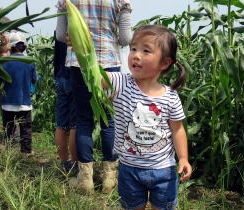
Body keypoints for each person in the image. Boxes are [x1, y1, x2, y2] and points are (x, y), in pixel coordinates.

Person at [102, 25, 192, 210]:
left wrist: (183, 158)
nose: (136, 55)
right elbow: (94, 75)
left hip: (163, 170)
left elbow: (178, 129)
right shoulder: (121, 83)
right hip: (129, 168)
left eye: (145, 51)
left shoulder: (170, 96)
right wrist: (81, 49)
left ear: (164, 63)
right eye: (133, 48)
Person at [55, 0, 132, 194]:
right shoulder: (121, 1)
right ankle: (109, 179)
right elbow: (125, 39)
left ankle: (85, 180)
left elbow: (60, 36)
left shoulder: (67, 1)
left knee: (83, 121)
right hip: (109, 65)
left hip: (78, 64)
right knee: (109, 121)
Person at [1, 31, 37, 155]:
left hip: (7, 102)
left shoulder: (4, 63)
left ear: (10, 47)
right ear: (25, 47)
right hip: (25, 102)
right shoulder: (30, 61)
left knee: (9, 129)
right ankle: (26, 153)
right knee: (26, 129)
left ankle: (9, 153)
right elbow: (34, 79)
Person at [54, 38, 78, 173]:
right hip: (75, 76)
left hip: (61, 75)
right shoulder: (83, 23)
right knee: (75, 124)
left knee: (61, 124)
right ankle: (75, 164)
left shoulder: (61, 28)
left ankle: (64, 164)